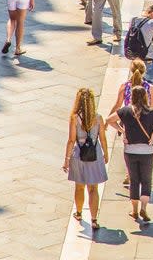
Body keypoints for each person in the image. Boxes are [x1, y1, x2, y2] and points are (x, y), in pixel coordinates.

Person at [106, 85, 153, 223]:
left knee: (134, 181)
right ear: (146, 96)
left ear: (132, 97)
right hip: (148, 151)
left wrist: (122, 131)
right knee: (146, 180)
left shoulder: (126, 111)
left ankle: (134, 210)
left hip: (130, 150)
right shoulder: (152, 112)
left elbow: (109, 120)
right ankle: (144, 208)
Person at [63, 87, 109, 231]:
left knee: (79, 186)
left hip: (78, 155)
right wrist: (106, 154)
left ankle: (79, 212)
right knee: (93, 189)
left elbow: (71, 140)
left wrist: (66, 159)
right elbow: (102, 138)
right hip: (95, 155)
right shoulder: (98, 118)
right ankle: (94, 219)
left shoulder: (74, 118)